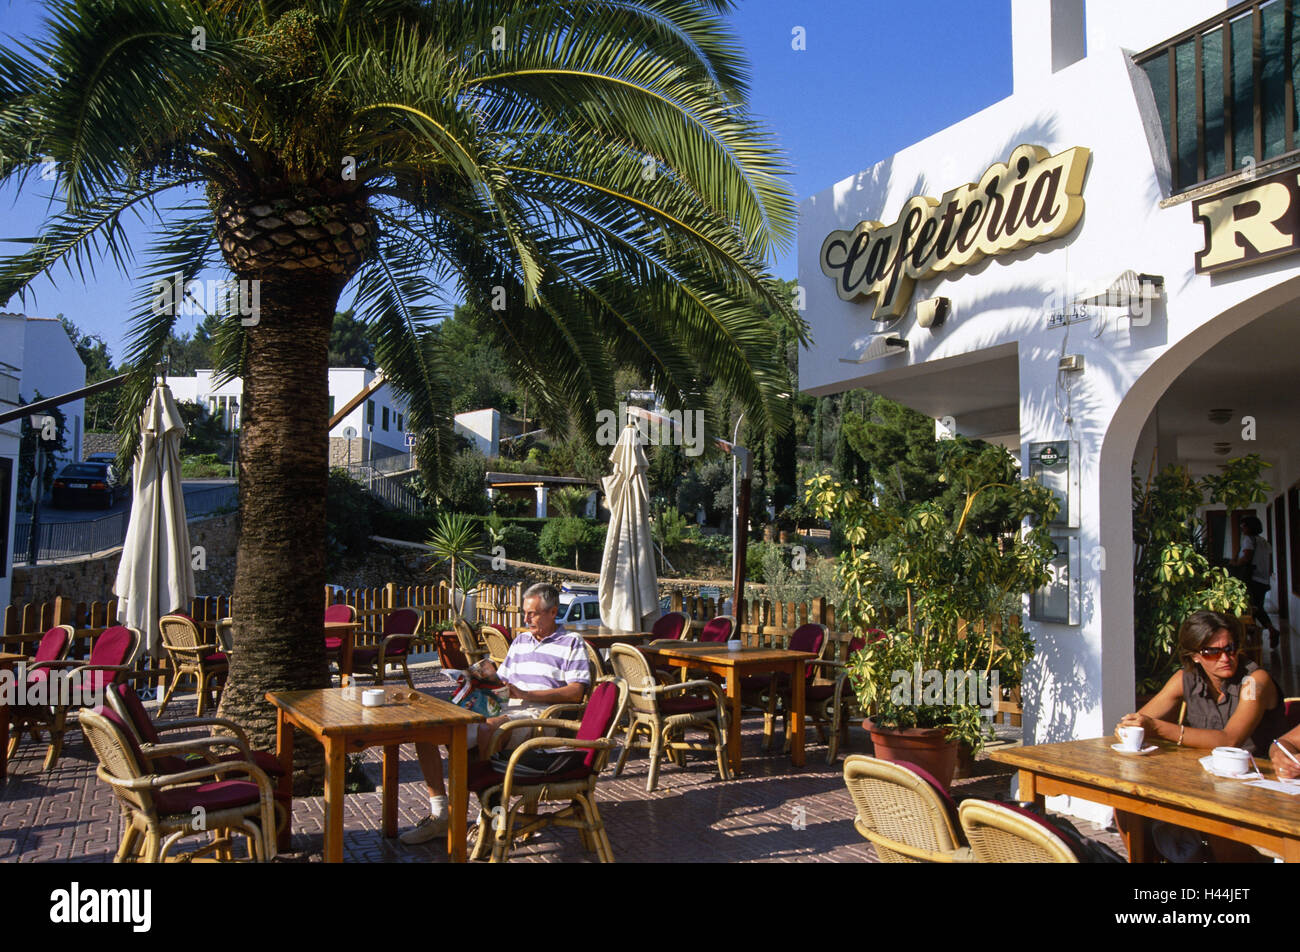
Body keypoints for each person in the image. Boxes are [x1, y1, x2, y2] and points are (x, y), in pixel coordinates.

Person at [399, 582, 590, 845]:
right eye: (525, 612)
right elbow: (501, 682)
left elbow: (576, 693)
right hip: (503, 708)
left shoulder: (572, 643)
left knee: (488, 728)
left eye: (532, 613)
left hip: (540, 716)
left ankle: (486, 817)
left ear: (553, 612)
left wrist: (524, 694)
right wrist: (475, 682)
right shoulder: (521, 641)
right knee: (428, 731)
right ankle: (441, 815)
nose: (525, 618)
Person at [1116, 610, 1288, 861]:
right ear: (1195, 656)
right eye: (1213, 652)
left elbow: (1230, 739)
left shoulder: (1255, 682)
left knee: (1219, 825)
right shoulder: (1185, 679)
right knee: (1125, 807)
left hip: (1255, 784)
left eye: (1230, 648)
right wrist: (1130, 727)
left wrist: (1159, 728)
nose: (1226, 657)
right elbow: (1135, 724)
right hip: (1203, 781)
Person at [1231, 515, 1278, 649]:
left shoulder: (1248, 540)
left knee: (1252, 607)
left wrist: (1234, 563)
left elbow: (1246, 557)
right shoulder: (1263, 541)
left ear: (1249, 527)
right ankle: (1263, 630)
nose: (1242, 528)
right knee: (1258, 606)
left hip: (1252, 579)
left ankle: (1261, 631)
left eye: (1243, 526)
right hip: (1263, 579)